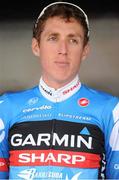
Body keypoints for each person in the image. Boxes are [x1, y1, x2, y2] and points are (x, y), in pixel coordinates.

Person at [0, 1, 119, 179]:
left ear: (85, 50)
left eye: (73, 40)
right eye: (53, 38)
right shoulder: (6, 107)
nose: (63, 50)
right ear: (36, 46)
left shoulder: (111, 110)